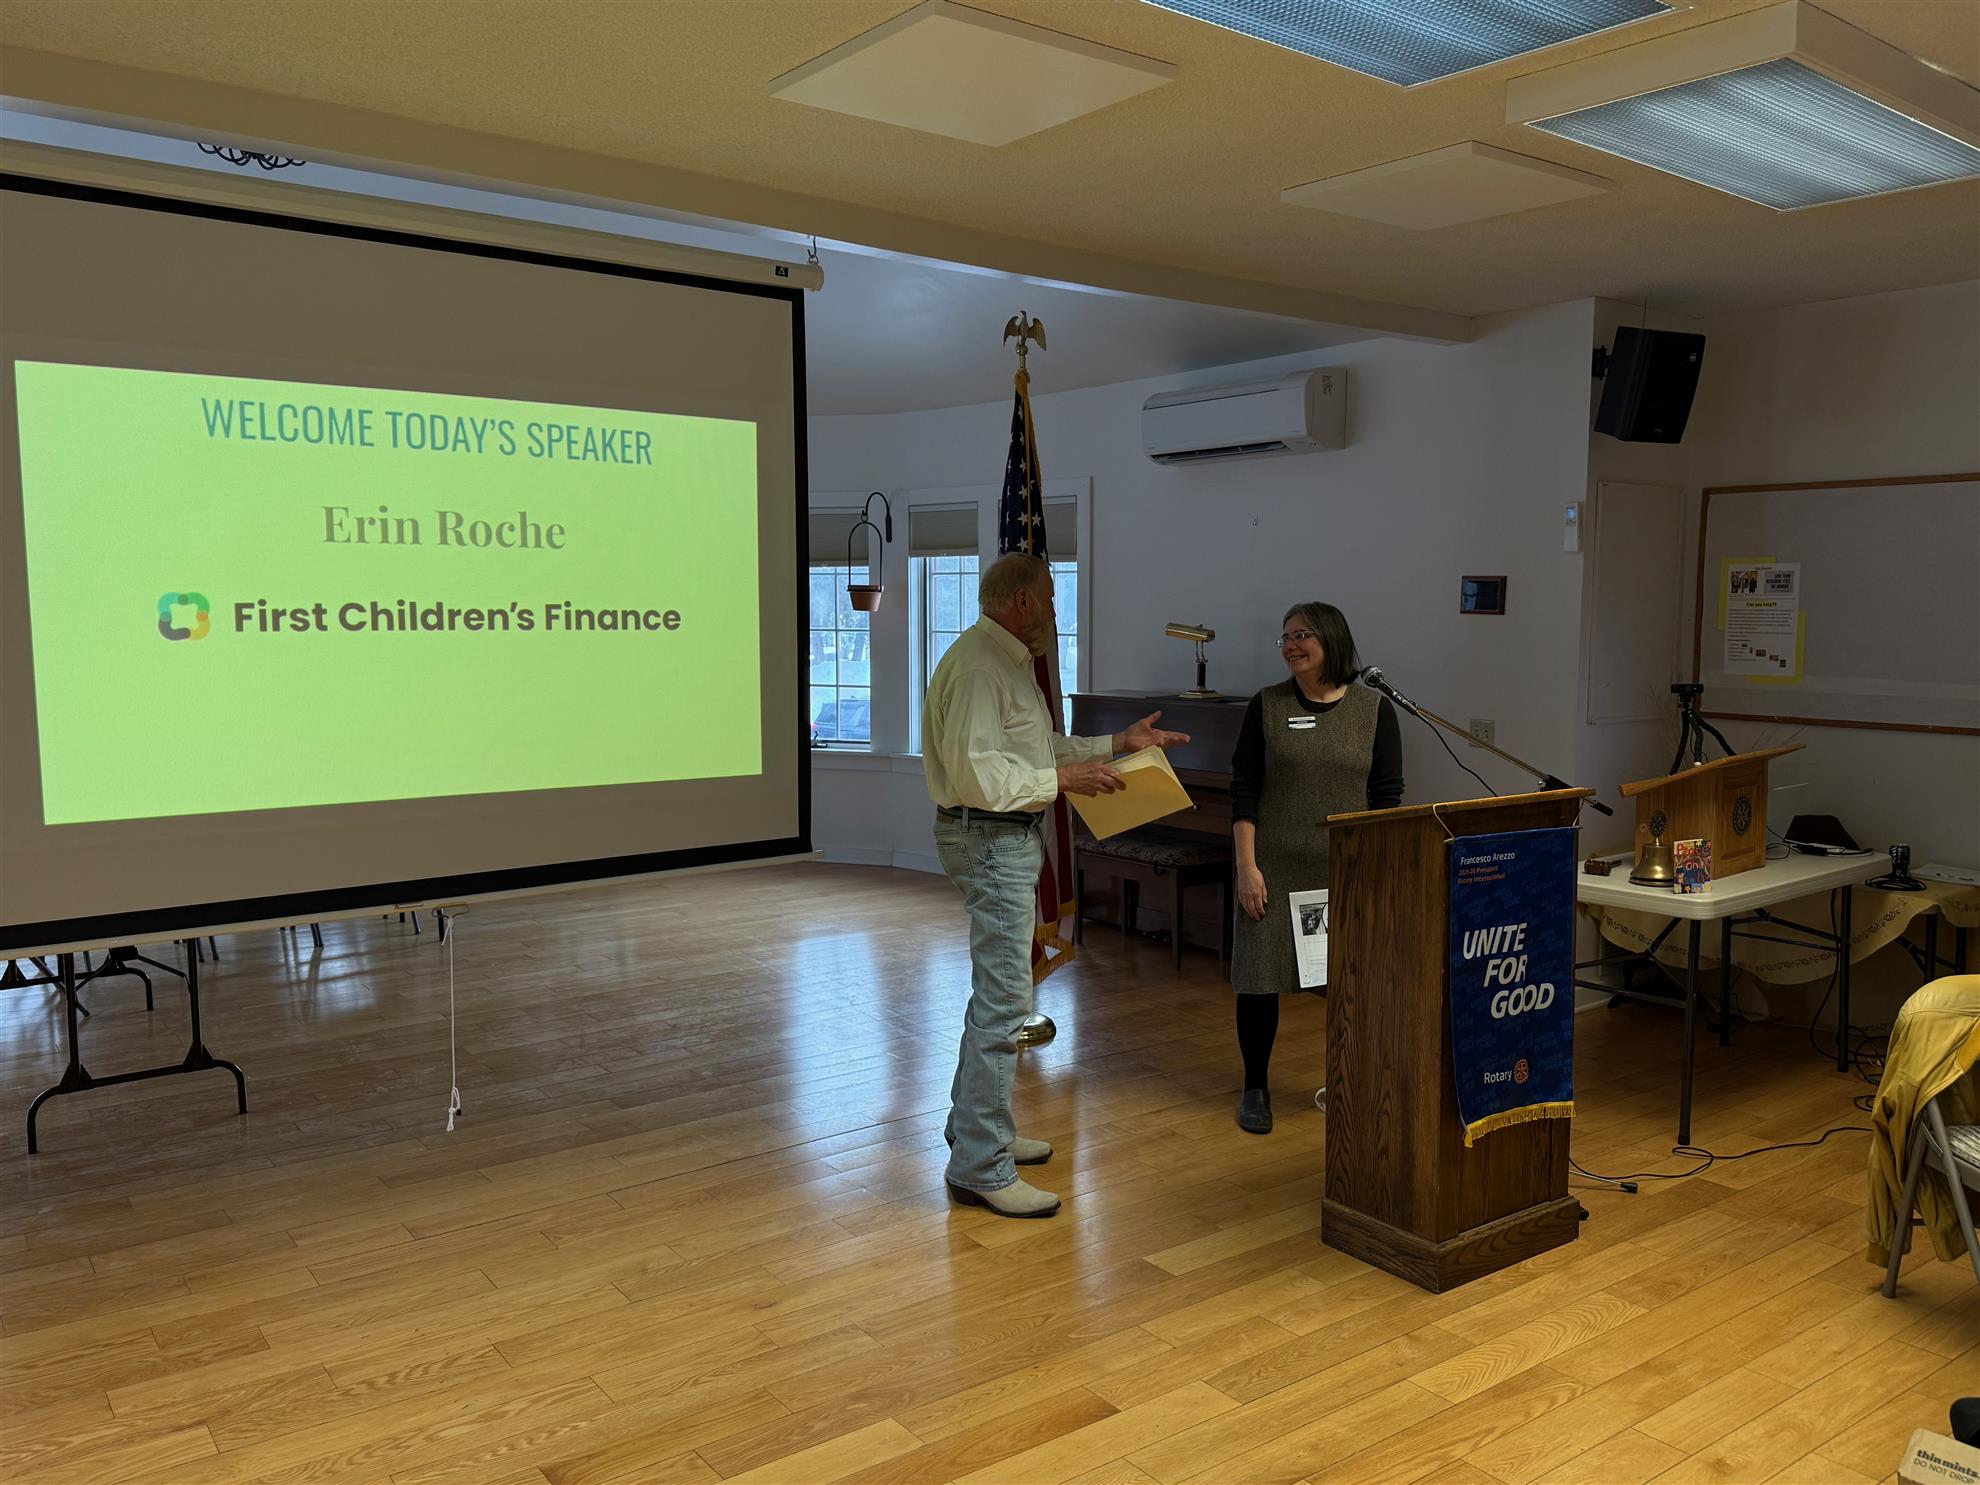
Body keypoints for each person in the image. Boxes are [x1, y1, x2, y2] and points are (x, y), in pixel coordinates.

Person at [923, 553, 1188, 1217]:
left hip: (1003, 836)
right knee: (1005, 1003)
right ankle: (980, 1165)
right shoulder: (980, 667)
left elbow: (1033, 753)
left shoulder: (1005, 661)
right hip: (990, 837)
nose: (1052, 608)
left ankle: (976, 1128)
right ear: (1021, 601)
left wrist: (1117, 743)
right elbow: (978, 776)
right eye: (1047, 596)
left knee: (995, 996)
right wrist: (1063, 781)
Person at [1228, 602, 1403, 1133]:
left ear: (1331, 638)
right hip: (1273, 869)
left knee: (1349, 983)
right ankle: (1255, 1088)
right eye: (1285, 637)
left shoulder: (1375, 710)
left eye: (1302, 635)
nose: (1290, 645)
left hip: (1343, 874)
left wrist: (1374, 872)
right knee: (1259, 980)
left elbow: (1386, 798)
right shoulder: (1267, 705)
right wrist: (1246, 867)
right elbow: (1244, 791)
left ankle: (1350, 1081)